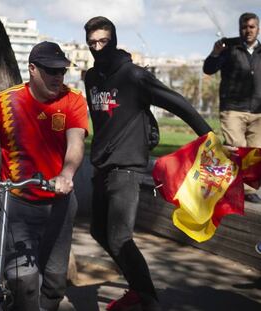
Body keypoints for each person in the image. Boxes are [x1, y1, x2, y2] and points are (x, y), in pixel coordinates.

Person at [83, 16, 214, 311]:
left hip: (127, 167)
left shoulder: (133, 75)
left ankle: (149, 301)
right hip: (101, 165)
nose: (97, 48)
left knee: (119, 239)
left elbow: (175, 101)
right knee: (98, 232)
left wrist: (207, 134)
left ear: (113, 40)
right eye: (92, 43)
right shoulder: (91, 78)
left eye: (103, 41)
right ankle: (138, 288)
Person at [0, 41, 88, 311]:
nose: (58, 77)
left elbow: (76, 143)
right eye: (51, 71)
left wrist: (66, 173)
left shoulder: (73, 99)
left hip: (60, 204)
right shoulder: (6, 102)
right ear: (32, 69)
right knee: (23, 284)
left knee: (54, 285)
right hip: (18, 205)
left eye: (61, 71)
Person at [203, 12, 261, 203]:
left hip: (258, 111)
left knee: (255, 154)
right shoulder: (229, 48)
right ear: (239, 28)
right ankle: (237, 189)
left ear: (258, 28)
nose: (248, 31)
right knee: (236, 149)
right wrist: (215, 53)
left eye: (252, 27)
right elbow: (209, 69)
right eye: (244, 27)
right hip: (233, 109)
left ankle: (249, 191)